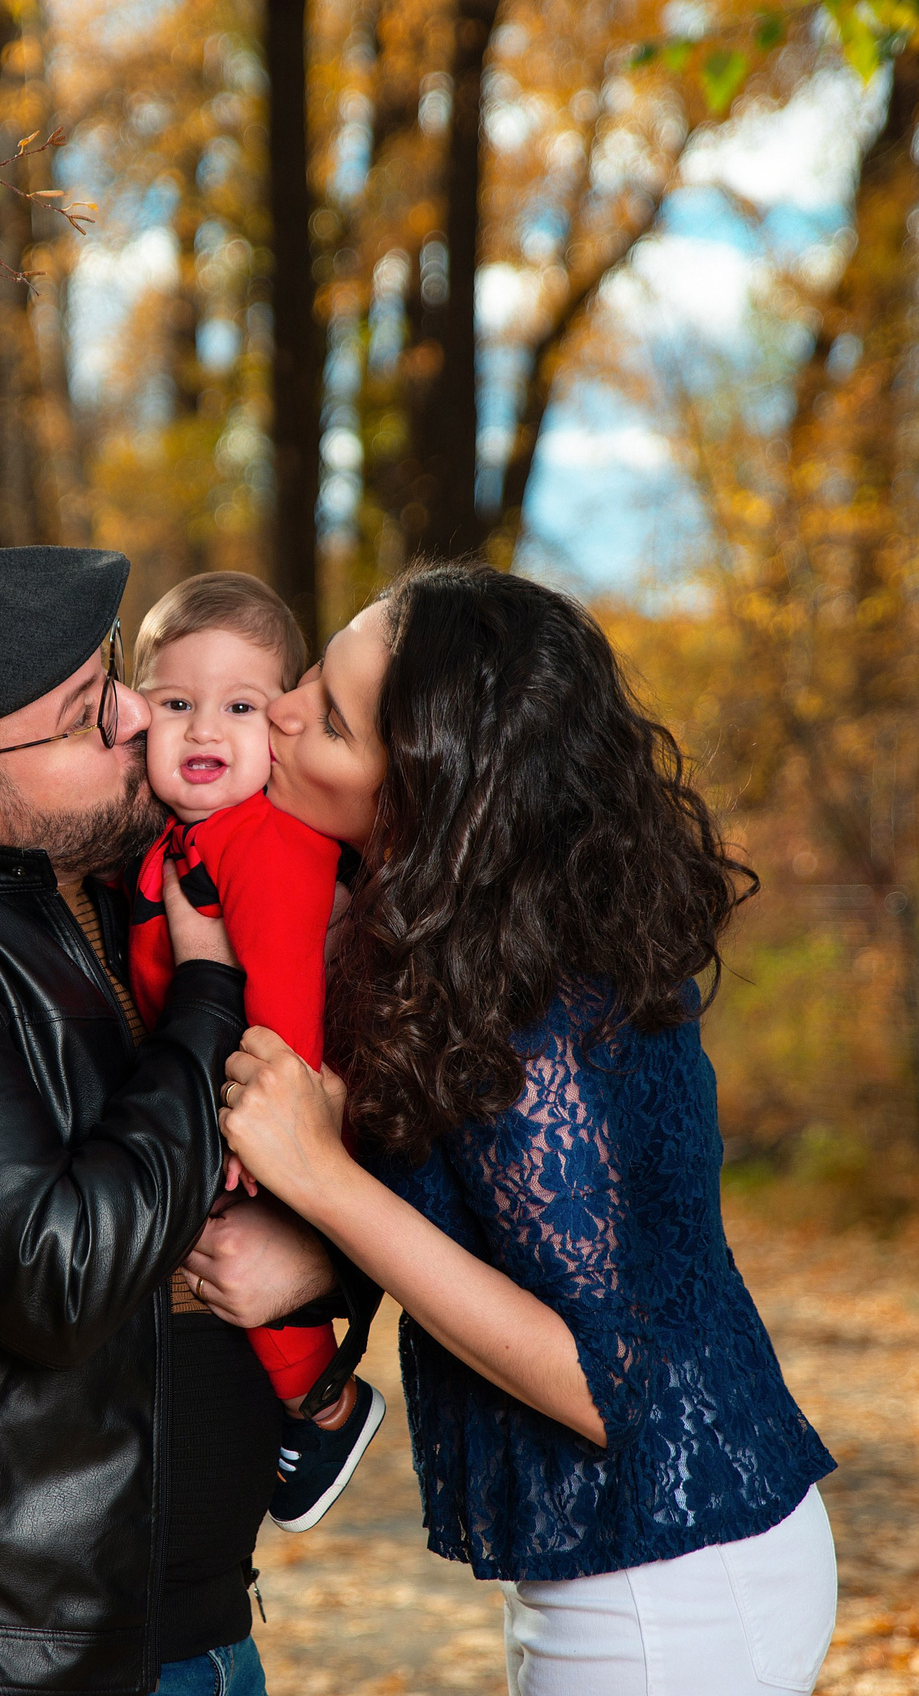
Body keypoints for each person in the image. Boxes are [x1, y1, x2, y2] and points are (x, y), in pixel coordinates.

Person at [0, 545, 372, 1696]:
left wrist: (324, 1255)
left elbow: (301, 1139)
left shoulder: (74, 864)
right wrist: (207, 993)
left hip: (180, 1626)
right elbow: (61, 1268)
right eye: (94, 713)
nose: (141, 714)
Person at [214, 564, 842, 1696]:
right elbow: (483, 1217)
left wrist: (320, 1183)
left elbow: (606, 1383)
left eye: (332, 719)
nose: (285, 708)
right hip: (639, 1566)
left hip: (672, 1585)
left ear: (421, 799)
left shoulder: (541, 1008)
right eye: (313, 674)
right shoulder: (477, 939)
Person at [123, 572, 384, 1533]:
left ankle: (324, 1410)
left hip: (264, 1100)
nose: (202, 731)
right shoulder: (174, 832)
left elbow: (285, 990)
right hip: (213, 1088)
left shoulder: (264, 841)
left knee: (236, 1250)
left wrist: (271, 1119)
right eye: (175, 704)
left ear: (279, 727)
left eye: (239, 707)